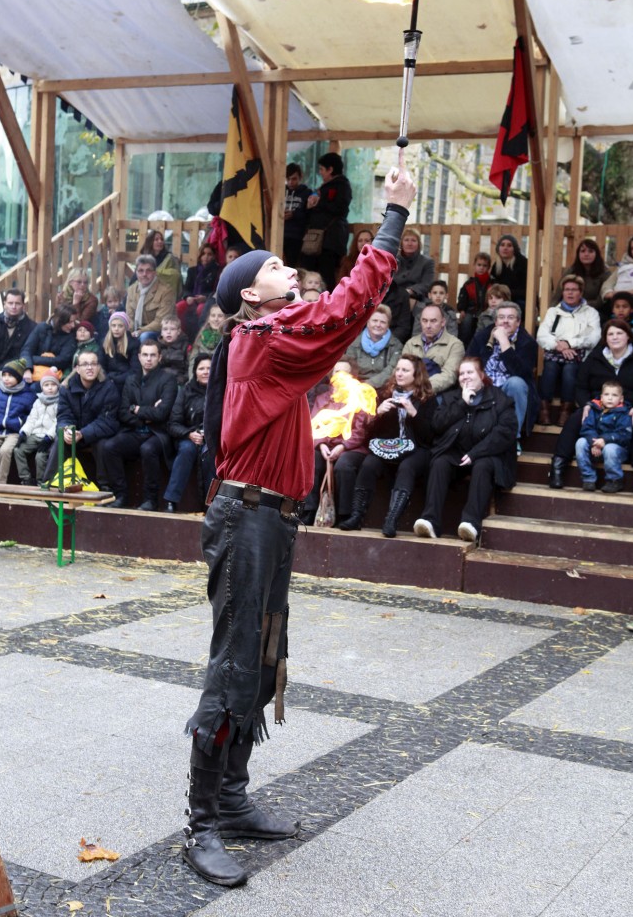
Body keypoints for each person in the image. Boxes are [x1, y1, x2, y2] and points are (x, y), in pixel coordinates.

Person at [181, 154, 415, 889]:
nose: (290, 269)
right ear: (251, 295)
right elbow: (344, 310)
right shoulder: (260, 340)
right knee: (234, 663)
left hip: (270, 519)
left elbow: (339, 319)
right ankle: (200, 824)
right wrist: (394, 215)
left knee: (263, 657)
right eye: (277, 266)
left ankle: (232, 798)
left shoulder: (269, 344)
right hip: (246, 517)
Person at [413, 356, 518, 542]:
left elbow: (505, 433)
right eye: (461, 374)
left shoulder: (500, 399)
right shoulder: (451, 398)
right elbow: (437, 425)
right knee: (440, 462)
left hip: (486, 454)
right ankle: (430, 520)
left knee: (482, 465)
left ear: (482, 375)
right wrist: (461, 404)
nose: (465, 377)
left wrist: (475, 453)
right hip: (457, 453)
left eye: (470, 372)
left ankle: (470, 524)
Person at [339, 355, 436, 538]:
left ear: (416, 374)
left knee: (407, 467)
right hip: (387, 447)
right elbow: (369, 434)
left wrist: (414, 413)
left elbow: (430, 437)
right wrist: (378, 414)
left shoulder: (427, 399)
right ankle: (357, 516)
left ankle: (391, 520)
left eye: (405, 370)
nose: (399, 373)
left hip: (417, 449)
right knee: (369, 463)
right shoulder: (385, 394)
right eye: (398, 369)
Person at [549, 319, 633, 495]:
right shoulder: (595, 358)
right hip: (598, 407)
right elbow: (580, 386)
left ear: (628, 336)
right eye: (610, 334)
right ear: (605, 338)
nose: (615, 337)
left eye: (619, 333)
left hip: (631, 408)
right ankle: (558, 466)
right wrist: (586, 404)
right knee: (576, 418)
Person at [98, 340, 177, 510]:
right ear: (139, 357)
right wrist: (145, 416)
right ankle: (121, 495)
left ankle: (151, 500)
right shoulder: (131, 379)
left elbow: (162, 414)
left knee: (147, 449)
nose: (148, 359)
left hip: (157, 433)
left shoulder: (168, 379)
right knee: (109, 447)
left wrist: (137, 409)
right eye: (145, 355)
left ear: (159, 357)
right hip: (135, 431)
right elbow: (123, 412)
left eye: (153, 355)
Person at [302, 360, 373, 527]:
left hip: (351, 447)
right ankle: (309, 511)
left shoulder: (359, 398)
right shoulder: (322, 398)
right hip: (323, 445)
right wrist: (321, 444)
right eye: (336, 372)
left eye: (345, 372)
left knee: (344, 466)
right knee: (311, 461)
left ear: (352, 377)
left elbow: (359, 432)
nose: (340, 376)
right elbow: (313, 425)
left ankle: (344, 514)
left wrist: (342, 446)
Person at [467, 301, 539, 448]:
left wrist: (504, 342)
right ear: (496, 321)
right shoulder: (482, 336)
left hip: (509, 389)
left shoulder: (527, 342)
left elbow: (522, 373)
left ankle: (511, 439)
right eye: (501, 317)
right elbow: (468, 361)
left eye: (510, 317)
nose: (505, 321)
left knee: (517, 383)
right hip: (485, 386)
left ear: (518, 322)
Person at [44, 351, 120, 485]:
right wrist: (66, 429)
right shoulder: (66, 388)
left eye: (93, 364)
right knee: (60, 439)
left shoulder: (109, 387)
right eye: (85, 364)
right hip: (75, 433)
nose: (90, 367)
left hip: (97, 435)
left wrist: (83, 433)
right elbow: (63, 416)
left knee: (103, 444)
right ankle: (49, 483)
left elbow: (108, 421)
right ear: (77, 369)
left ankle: (105, 487)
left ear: (98, 367)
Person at [536, 275, 601, 426]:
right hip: (555, 353)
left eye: (574, 290)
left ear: (581, 292)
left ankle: (565, 411)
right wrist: (558, 345)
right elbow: (541, 335)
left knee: (570, 369)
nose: (570, 293)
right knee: (550, 368)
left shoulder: (590, 313)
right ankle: (544, 411)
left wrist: (569, 343)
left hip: (579, 355)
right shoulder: (553, 311)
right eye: (566, 290)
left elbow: (594, 337)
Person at [163, 354, 214, 513]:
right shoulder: (185, 391)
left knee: (210, 454)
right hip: (188, 436)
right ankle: (171, 500)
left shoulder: (221, 391)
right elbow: (173, 423)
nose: (205, 372)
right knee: (186, 450)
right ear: (195, 372)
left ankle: (211, 505)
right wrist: (189, 434)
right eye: (201, 368)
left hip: (213, 439)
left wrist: (210, 436)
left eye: (209, 368)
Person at [0, 359, 36, 484]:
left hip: (14, 433)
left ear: (18, 377)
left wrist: (19, 422)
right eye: (4, 375)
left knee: (5, 451)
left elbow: (31, 416)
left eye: (10, 376)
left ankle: (1, 483)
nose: (6, 378)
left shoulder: (29, 395)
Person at [300, 151, 352, 291]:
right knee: (308, 273)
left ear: (330, 169)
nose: (320, 172)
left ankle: (327, 300)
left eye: (322, 169)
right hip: (315, 240)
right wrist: (309, 206)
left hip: (331, 242)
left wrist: (319, 203)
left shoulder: (342, 186)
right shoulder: (323, 187)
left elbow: (340, 209)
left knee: (326, 276)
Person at [575, 380, 632, 493]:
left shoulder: (624, 413)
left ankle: (614, 480)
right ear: (601, 397)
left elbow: (624, 435)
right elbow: (587, 428)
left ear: (621, 399)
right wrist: (594, 443)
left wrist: (604, 440)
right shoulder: (594, 409)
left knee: (609, 448)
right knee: (580, 442)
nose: (610, 398)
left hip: (616, 451)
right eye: (606, 394)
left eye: (614, 395)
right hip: (595, 448)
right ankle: (588, 478)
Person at [402, 304, 465, 394]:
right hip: (410, 392)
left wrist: (421, 388)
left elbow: (449, 375)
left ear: (443, 322)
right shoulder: (411, 343)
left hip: (438, 394)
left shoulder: (455, 345)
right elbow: (401, 371)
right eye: (424, 321)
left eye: (433, 321)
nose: (428, 325)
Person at [13, 372, 60, 485]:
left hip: (48, 437)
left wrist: (49, 437)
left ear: (57, 386)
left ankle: (41, 482)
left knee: (40, 457)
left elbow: (57, 422)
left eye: (53, 385)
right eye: (46, 385)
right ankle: (26, 478)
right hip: (35, 434)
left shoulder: (60, 402)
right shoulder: (38, 401)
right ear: (42, 387)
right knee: (18, 450)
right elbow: (31, 419)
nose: (50, 388)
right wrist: (24, 432)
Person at [344, 304, 403, 388]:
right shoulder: (354, 343)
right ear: (367, 322)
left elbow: (391, 370)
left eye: (383, 322)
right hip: (357, 387)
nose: (378, 325)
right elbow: (350, 367)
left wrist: (368, 384)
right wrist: (357, 386)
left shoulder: (396, 345)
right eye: (375, 320)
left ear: (388, 325)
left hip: (385, 388)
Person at [0, 289, 36, 374]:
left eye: (17, 303)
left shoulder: (32, 327)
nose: (14, 306)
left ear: (23, 305)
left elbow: (25, 354)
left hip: (15, 371)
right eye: (10, 303)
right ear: (4, 304)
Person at [22, 305, 79, 383]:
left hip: (55, 375)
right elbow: (26, 350)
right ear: (60, 321)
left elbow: (62, 361)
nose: (73, 325)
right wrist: (27, 369)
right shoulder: (41, 328)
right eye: (69, 322)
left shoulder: (71, 336)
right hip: (33, 370)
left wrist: (34, 359)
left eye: (74, 321)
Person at [126, 255, 176, 341]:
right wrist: (129, 331)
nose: (144, 274)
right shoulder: (131, 290)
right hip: (136, 330)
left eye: (148, 271)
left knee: (144, 336)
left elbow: (160, 322)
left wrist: (140, 331)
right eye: (141, 271)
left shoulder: (166, 291)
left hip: (159, 332)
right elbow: (129, 317)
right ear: (136, 272)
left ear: (155, 272)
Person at [176, 244, 221, 339]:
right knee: (179, 307)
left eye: (209, 254)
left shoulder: (217, 272)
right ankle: (181, 336)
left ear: (213, 256)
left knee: (200, 309)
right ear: (200, 255)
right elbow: (186, 288)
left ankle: (199, 337)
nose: (206, 257)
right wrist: (188, 297)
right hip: (192, 299)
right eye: (203, 254)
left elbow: (216, 291)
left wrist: (205, 297)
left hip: (207, 300)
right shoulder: (192, 270)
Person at [550, 239, 610, 309]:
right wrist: (551, 310)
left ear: (597, 254)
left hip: (596, 310)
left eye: (590, 251)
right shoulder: (571, 271)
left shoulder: (604, 273)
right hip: (570, 309)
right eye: (583, 251)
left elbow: (601, 300)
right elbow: (558, 295)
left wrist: (580, 305)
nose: (586, 254)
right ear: (578, 254)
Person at [391, 227, 435, 313]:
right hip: (394, 298)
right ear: (401, 243)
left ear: (419, 244)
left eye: (413, 240)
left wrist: (410, 291)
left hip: (418, 298)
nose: (409, 243)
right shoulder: (393, 261)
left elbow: (427, 284)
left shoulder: (427, 262)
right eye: (406, 240)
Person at [600, 234, 633, 315]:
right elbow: (608, 284)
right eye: (632, 248)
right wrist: (609, 293)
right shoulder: (623, 267)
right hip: (617, 300)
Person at [137, 218, 181, 298]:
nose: (160, 241)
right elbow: (137, 276)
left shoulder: (169, 258)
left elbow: (176, 275)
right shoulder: (143, 258)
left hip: (164, 295)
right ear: (150, 242)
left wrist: (157, 273)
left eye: (161, 239)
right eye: (156, 239)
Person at [457, 252, 492, 346]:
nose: (481, 268)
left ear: (489, 267)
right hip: (471, 311)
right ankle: (463, 345)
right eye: (479, 265)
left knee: (488, 323)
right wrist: (462, 310)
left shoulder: (492, 283)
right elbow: (462, 298)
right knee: (466, 322)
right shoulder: (469, 284)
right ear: (474, 265)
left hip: (487, 311)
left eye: (484, 265)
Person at [101, 312, 141, 390]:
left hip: (125, 381)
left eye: (120, 326)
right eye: (113, 325)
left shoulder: (133, 343)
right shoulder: (104, 343)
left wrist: (116, 379)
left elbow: (135, 369)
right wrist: (107, 378)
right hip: (108, 379)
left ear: (125, 327)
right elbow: (101, 365)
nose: (116, 329)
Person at [490, 234, 527, 315]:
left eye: (509, 245)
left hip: (520, 301)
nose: (505, 248)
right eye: (502, 245)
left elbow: (526, 291)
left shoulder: (523, 264)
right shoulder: (496, 266)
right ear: (498, 249)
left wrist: (506, 293)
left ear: (515, 249)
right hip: (500, 300)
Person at [283, 163, 311, 267]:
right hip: (281, 233)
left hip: (296, 236)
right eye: (288, 179)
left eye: (294, 179)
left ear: (300, 177)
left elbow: (309, 215)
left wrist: (294, 215)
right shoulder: (280, 191)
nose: (290, 182)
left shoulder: (306, 193)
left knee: (291, 264)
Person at [158, 315, 191, 385]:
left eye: (172, 329)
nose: (168, 332)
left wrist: (182, 379)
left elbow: (190, 368)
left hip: (178, 381)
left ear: (179, 331)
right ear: (161, 332)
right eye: (165, 329)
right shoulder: (157, 347)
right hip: (160, 380)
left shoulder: (185, 346)